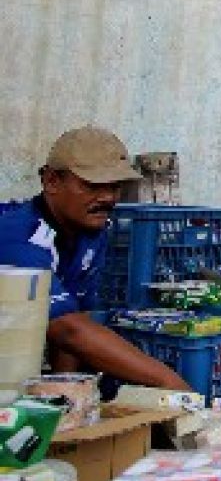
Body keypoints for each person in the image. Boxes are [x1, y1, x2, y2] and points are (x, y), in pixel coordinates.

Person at [0, 127, 190, 390]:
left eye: (115, 187)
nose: (108, 197)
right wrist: (171, 383)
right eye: (93, 186)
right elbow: (68, 329)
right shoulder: (18, 236)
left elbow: (75, 317)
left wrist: (63, 392)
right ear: (52, 182)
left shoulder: (90, 230)